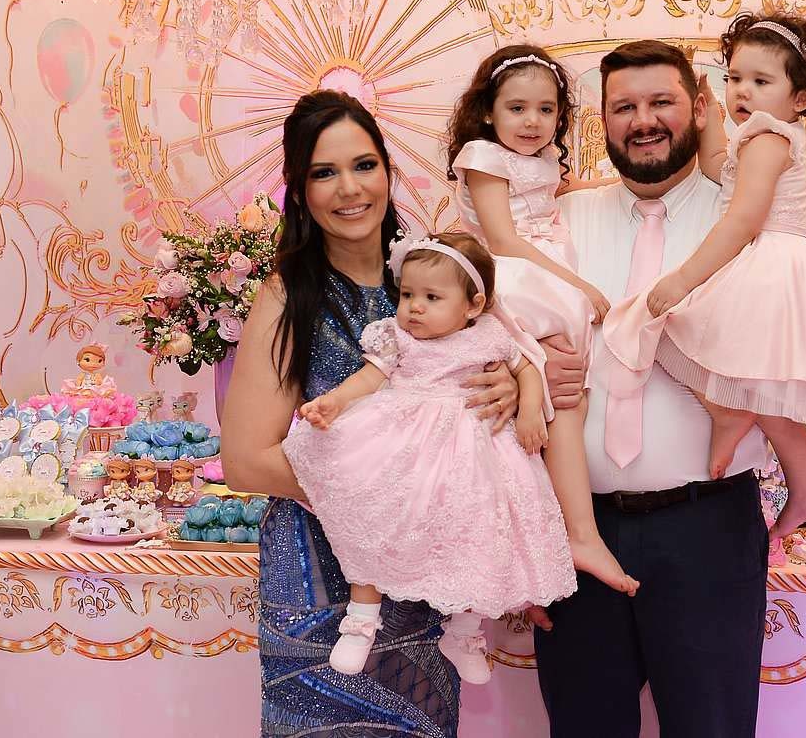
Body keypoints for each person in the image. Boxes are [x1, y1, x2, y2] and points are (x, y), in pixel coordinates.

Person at [222, 90, 519, 737]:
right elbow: (245, 460)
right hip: (319, 587)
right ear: (299, 190)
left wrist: (510, 391)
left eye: (364, 165)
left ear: (387, 170)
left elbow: (493, 379)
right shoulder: (289, 295)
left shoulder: (437, 279)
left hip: (422, 592)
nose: (350, 188)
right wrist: (388, 488)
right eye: (323, 172)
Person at [602, 12, 806, 539]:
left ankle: (736, 419)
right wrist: (708, 117)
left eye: (760, 80)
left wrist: (684, 279)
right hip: (772, 259)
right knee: (766, 394)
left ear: (801, 97)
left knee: (664, 327)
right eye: (734, 78)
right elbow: (718, 168)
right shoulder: (760, 137)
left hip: (772, 262)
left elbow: (743, 218)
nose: (742, 91)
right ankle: (803, 485)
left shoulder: (770, 139)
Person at [532, 41, 770, 738]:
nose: (643, 121)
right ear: (601, 122)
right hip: (577, 529)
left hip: (709, 528)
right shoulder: (557, 223)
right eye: (624, 107)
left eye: (661, 101)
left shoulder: (747, 220)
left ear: (698, 106)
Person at [283, 230, 576, 681]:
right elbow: (369, 379)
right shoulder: (397, 337)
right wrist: (334, 403)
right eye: (407, 295)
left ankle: (464, 631)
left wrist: (531, 410)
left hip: (475, 455)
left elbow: (528, 369)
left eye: (432, 297)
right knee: (374, 513)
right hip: (405, 442)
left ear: (474, 305)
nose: (414, 307)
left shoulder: (491, 336)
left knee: (481, 532)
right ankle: (361, 619)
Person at [447, 44, 637, 594]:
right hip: (515, 275)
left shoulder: (543, 157)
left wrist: (612, 186)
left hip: (542, 271)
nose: (532, 121)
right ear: (488, 112)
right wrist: (578, 285)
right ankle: (576, 533)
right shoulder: (483, 157)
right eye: (517, 108)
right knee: (558, 388)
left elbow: (557, 192)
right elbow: (504, 240)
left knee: (570, 396)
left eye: (546, 109)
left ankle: (560, 534)